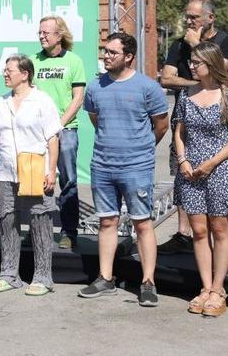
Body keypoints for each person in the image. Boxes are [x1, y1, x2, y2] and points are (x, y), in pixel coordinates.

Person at [79, 32, 168, 307]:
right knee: (107, 221)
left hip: (136, 166)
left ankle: (148, 282)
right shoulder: (95, 87)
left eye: (112, 52)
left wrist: (139, 149)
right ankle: (105, 278)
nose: (106, 56)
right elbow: (97, 119)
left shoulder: (148, 87)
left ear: (128, 56)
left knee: (142, 223)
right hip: (103, 164)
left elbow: (161, 125)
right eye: (105, 51)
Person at [173, 41, 228, 317]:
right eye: (191, 61)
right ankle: (205, 287)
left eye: (196, 62)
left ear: (211, 63)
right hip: (190, 171)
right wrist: (183, 160)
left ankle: (218, 289)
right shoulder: (185, 95)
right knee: (199, 231)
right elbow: (178, 133)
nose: (191, 66)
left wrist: (212, 162)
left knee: (219, 229)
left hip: (221, 169)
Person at [159, 0, 228, 255]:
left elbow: (221, 73)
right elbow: (166, 77)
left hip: (217, 127)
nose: (189, 21)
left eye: (194, 17)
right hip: (185, 121)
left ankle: (222, 244)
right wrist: (195, 85)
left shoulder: (226, 42)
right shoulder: (178, 44)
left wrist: (197, 46)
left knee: (217, 189)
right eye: (188, 17)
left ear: (210, 18)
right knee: (184, 176)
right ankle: (184, 233)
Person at [0, 55, 61, 295]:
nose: (5, 74)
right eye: (4, 70)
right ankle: (9, 273)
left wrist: (51, 170)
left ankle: (43, 277)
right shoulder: (0, 102)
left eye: (9, 70)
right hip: (4, 171)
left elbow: (52, 138)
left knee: (40, 221)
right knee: (6, 220)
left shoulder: (42, 101)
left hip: (35, 171)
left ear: (25, 74)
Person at [30, 15, 86, 249]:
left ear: (59, 35)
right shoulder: (33, 60)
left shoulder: (73, 61)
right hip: (37, 133)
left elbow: (78, 98)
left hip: (66, 131)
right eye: (40, 32)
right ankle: (37, 231)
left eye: (46, 32)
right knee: (34, 181)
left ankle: (68, 231)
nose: (42, 36)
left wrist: (59, 124)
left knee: (68, 181)